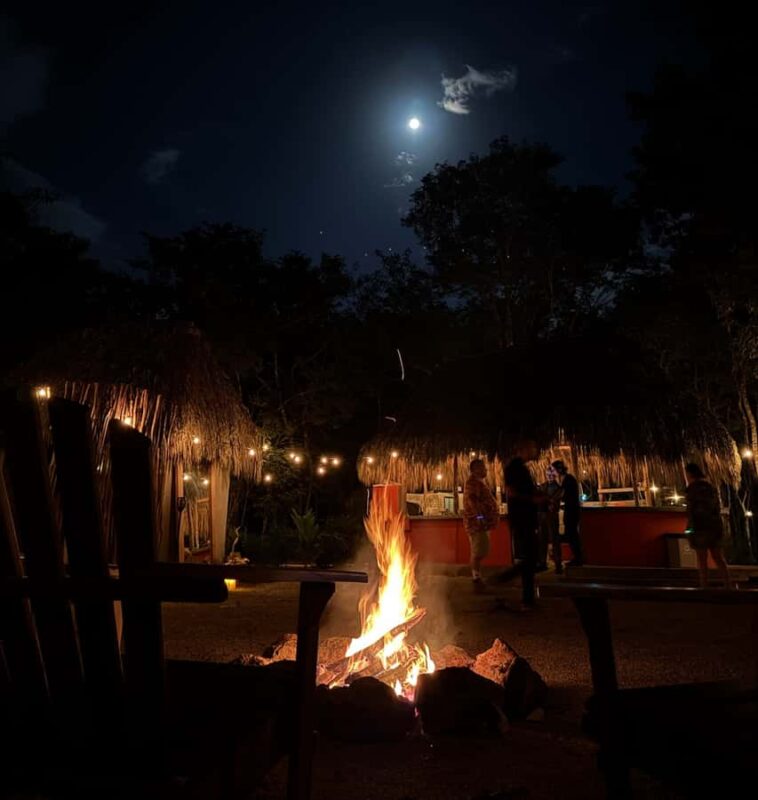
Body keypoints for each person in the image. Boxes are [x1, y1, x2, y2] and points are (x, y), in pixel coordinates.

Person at [497, 440, 542, 609]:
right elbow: (512, 492)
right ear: (522, 448)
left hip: (525, 518)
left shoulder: (520, 468)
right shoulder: (514, 468)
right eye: (532, 447)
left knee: (530, 559)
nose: (535, 450)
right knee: (528, 559)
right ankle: (524, 597)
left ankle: (527, 598)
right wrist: (533, 498)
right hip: (522, 519)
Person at [684, 463, 730, 589]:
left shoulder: (692, 489)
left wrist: (689, 529)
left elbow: (691, 511)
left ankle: (704, 586)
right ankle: (727, 585)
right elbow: (716, 507)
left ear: (690, 473)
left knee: (702, 559)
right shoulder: (710, 487)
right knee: (718, 557)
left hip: (700, 528)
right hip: (714, 526)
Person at [462, 458, 499, 588]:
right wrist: (479, 516)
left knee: (481, 549)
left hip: (480, 523)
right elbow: (472, 500)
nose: (486, 470)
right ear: (475, 469)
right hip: (477, 524)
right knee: (478, 551)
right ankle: (476, 578)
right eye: (483, 467)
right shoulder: (473, 483)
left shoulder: (478, 483)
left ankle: (477, 576)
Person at [552, 460, 583, 566]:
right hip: (571, 510)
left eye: (554, 470)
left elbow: (562, 495)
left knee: (572, 534)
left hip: (571, 511)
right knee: (572, 534)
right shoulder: (568, 479)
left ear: (559, 470)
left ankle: (578, 558)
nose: (553, 473)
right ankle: (577, 557)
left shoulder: (568, 480)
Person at [538, 465, 563, 574]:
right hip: (543, 515)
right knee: (543, 539)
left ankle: (557, 563)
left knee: (554, 539)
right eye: (548, 474)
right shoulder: (544, 486)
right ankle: (543, 562)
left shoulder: (558, 488)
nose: (550, 476)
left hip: (551, 515)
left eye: (552, 474)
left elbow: (555, 500)